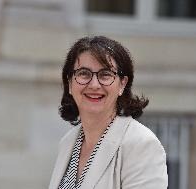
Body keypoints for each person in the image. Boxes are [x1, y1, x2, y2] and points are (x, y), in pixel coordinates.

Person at [49, 36, 168, 189]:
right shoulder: (68, 142)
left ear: (122, 84)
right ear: (70, 83)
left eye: (105, 74)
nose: (94, 84)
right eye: (84, 73)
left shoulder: (141, 145)